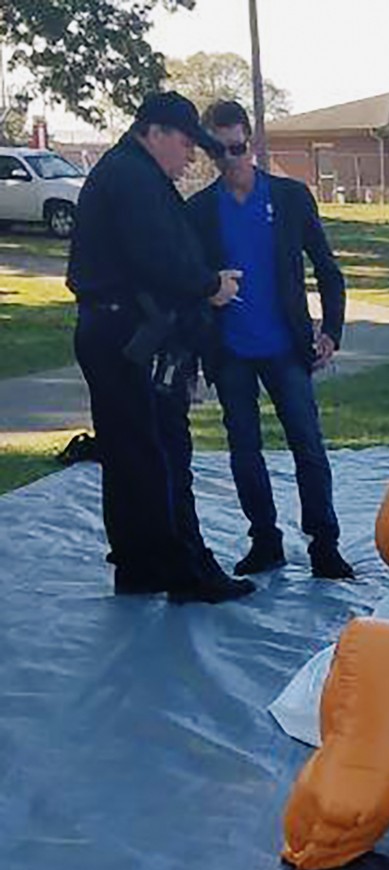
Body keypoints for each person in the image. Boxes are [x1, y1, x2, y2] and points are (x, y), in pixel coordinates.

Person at [66, 91, 255, 603]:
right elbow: (159, 257)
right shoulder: (133, 178)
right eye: (186, 143)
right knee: (161, 452)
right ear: (155, 133)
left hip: (110, 331)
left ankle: (139, 563)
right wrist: (209, 284)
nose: (191, 157)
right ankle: (186, 569)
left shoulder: (123, 172)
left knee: (129, 454)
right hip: (131, 336)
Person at [187, 100, 353, 580]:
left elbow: (327, 269)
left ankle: (324, 544)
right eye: (218, 152)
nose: (230, 160)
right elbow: (191, 285)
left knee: (308, 446)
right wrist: (201, 351)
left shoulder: (289, 197)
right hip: (232, 352)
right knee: (244, 450)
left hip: (286, 347)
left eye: (237, 148)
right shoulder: (199, 212)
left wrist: (331, 332)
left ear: (252, 143)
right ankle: (265, 541)